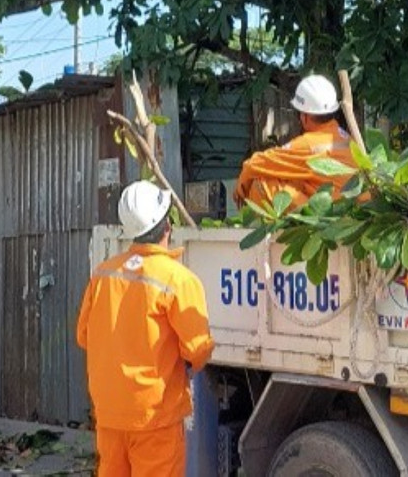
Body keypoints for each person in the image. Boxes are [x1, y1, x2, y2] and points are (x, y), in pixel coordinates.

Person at [78, 181, 214, 477]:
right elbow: (198, 350)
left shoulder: (102, 274)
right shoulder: (179, 280)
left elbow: (84, 336)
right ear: (168, 225)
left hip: (110, 414)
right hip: (155, 417)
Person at [234, 74, 358, 211]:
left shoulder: (307, 145)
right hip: (355, 210)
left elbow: (256, 164)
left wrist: (241, 187)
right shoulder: (347, 138)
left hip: (333, 214)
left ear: (305, 115)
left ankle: (275, 228)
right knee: (294, 178)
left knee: (262, 183)